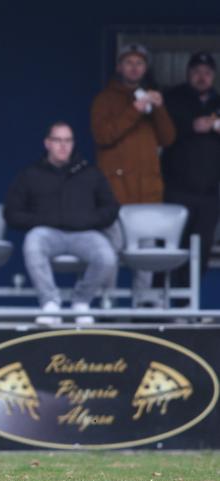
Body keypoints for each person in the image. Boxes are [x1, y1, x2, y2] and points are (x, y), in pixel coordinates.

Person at [4, 122, 120, 325]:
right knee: (33, 241)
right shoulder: (31, 174)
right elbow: (11, 213)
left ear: (73, 143)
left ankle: (81, 302)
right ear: (47, 143)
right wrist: (43, 220)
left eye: (68, 140)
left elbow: (111, 208)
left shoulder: (90, 172)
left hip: (84, 234)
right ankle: (50, 304)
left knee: (107, 256)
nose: (63, 145)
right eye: (57, 140)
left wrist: (87, 220)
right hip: (48, 234)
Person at [91, 43, 176, 302]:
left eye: (139, 63)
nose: (134, 67)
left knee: (146, 254)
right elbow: (103, 136)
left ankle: (143, 307)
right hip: (116, 192)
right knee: (111, 251)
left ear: (145, 68)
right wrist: (135, 110)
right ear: (119, 67)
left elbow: (168, 139)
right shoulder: (105, 99)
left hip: (147, 193)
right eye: (129, 62)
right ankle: (108, 305)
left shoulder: (152, 97)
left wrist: (159, 108)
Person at [162, 51, 220, 289]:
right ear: (188, 73)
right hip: (177, 189)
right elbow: (162, 133)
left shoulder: (217, 101)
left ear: (213, 76)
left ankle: (188, 302)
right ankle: (166, 302)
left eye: (206, 73)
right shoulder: (173, 99)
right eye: (196, 72)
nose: (201, 77)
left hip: (209, 192)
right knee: (172, 247)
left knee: (202, 249)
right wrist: (191, 126)